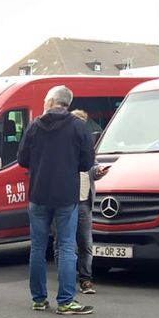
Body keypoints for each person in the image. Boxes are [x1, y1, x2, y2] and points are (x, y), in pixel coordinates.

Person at [17, 86, 95, 315]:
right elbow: (86, 163)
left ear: (51, 101)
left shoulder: (34, 126)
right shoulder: (79, 127)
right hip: (66, 195)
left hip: (38, 193)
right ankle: (65, 301)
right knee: (66, 246)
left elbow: (22, 159)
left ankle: (39, 299)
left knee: (38, 248)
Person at [70, 109, 109, 294]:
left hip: (84, 200)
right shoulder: (63, 145)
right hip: (65, 201)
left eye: (83, 122)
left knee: (85, 243)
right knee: (65, 244)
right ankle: (68, 280)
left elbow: (91, 168)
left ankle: (86, 280)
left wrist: (99, 171)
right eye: (78, 121)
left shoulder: (87, 146)